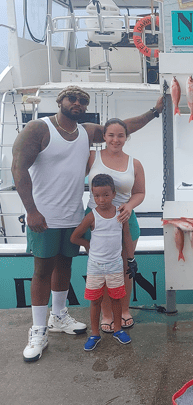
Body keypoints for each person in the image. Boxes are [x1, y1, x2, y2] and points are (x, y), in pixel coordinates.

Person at [11, 85, 163, 362]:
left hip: (73, 214)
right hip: (43, 215)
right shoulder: (38, 128)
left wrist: (155, 111)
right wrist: (30, 210)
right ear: (60, 101)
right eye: (72, 98)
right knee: (42, 270)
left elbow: (122, 128)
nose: (77, 103)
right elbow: (18, 167)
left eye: (82, 100)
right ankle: (38, 329)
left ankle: (58, 316)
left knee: (64, 266)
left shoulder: (86, 132)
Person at [87, 118, 145, 333]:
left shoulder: (134, 163)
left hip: (124, 221)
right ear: (104, 136)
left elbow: (139, 192)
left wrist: (129, 206)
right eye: (111, 135)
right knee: (101, 269)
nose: (115, 139)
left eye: (120, 135)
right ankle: (107, 314)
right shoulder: (92, 157)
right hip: (97, 223)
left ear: (126, 137)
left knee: (124, 268)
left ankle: (124, 310)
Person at [70, 174, 138, 351]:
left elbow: (127, 237)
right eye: (97, 196)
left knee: (117, 298)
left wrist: (131, 259)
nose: (101, 199)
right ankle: (94, 334)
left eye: (106, 195)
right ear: (92, 196)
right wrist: (89, 245)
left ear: (114, 194)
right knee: (95, 300)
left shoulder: (121, 215)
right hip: (95, 266)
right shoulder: (91, 216)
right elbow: (75, 237)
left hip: (115, 265)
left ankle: (118, 329)